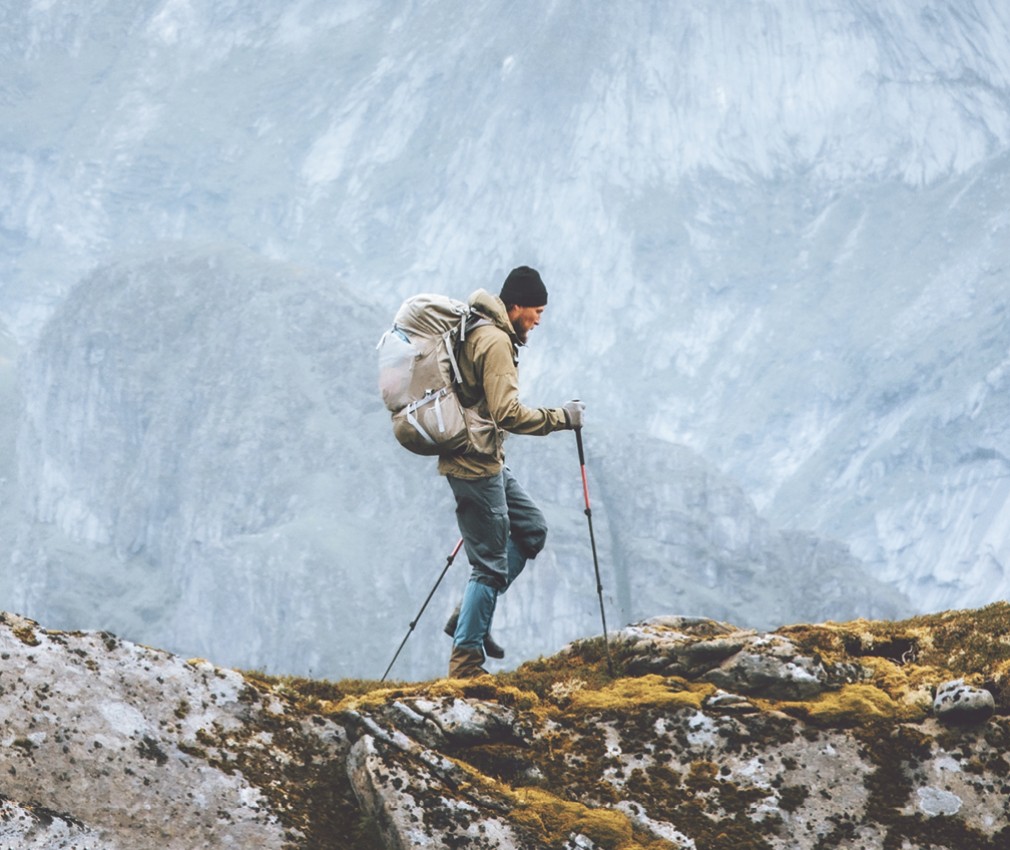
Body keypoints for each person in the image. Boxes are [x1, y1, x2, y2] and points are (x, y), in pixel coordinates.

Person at [439, 265, 584, 678]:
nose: (539, 319)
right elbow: (507, 413)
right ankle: (465, 661)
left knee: (532, 530)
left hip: (485, 461)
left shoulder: (481, 328)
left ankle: (469, 614)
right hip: (474, 466)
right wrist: (563, 418)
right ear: (516, 306)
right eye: (536, 310)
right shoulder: (495, 341)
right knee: (489, 566)